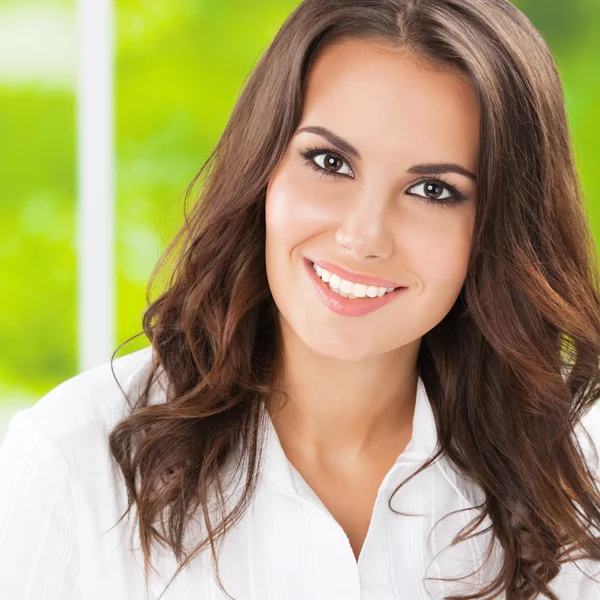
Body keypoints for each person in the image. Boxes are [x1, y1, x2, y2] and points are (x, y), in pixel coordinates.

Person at [1, 0, 600, 598]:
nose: (362, 236)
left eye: (432, 189)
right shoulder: (74, 467)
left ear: (500, 226)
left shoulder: (572, 486)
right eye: (330, 162)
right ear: (263, 170)